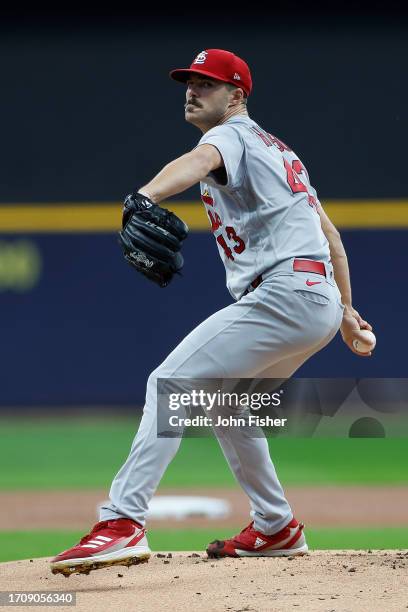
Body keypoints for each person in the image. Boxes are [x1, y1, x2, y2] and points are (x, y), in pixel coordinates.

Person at [50, 49, 373, 576]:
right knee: (225, 406)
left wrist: (144, 195)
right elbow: (330, 237)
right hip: (311, 298)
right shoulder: (282, 152)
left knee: (170, 383)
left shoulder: (230, 136)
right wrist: (345, 313)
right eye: (189, 82)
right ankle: (276, 525)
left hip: (285, 293)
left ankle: (121, 521)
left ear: (237, 96)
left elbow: (199, 162)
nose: (192, 90)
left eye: (207, 83)